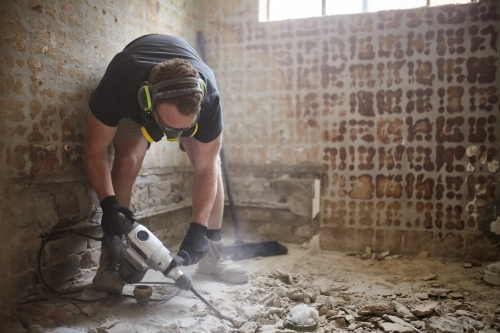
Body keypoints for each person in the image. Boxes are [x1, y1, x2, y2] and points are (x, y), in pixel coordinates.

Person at [84, 34, 248, 294]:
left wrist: (199, 229)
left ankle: (213, 247)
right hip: (134, 99)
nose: (177, 136)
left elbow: (206, 169)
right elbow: (95, 150)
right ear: (148, 101)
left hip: (179, 110)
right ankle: (112, 255)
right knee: (127, 161)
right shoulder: (119, 81)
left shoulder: (209, 98)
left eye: (186, 128)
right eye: (172, 128)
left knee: (206, 161)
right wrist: (108, 205)